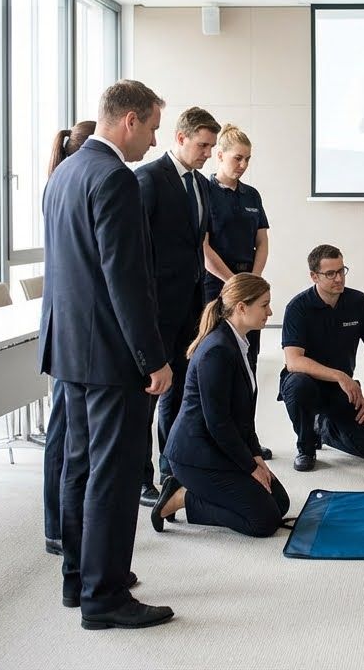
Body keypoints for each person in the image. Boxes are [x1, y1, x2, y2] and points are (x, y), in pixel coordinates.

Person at [39, 80, 174, 630]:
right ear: (129, 122)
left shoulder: (64, 173)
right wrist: (153, 358)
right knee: (113, 476)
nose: (153, 142)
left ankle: (80, 579)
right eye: (152, 130)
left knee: (79, 467)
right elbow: (125, 280)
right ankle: (106, 597)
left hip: (68, 347)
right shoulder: (115, 178)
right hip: (110, 354)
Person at [151, 274, 290, 538]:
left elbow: (243, 418)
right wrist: (250, 467)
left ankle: (199, 492)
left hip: (220, 446)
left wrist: (257, 458)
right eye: (264, 305)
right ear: (241, 307)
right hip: (196, 456)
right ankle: (181, 497)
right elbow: (219, 423)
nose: (270, 312)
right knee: (264, 521)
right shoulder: (217, 350)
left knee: (279, 502)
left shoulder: (238, 342)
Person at [135, 106, 221, 508]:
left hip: (190, 308)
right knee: (148, 398)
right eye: (203, 145)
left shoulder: (202, 186)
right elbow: (135, 252)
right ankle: (141, 478)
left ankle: (172, 469)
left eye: (211, 146)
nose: (208, 153)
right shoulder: (147, 179)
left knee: (180, 393)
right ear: (181, 138)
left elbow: (197, 247)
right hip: (154, 312)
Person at [279, 244, 364, 472]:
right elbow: (294, 361)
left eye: (341, 271)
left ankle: (323, 427)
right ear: (314, 276)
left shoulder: (358, 302)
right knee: (299, 385)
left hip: (342, 389)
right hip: (307, 384)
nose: (339, 278)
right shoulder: (298, 307)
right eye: (330, 273)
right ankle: (306, 446)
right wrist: (339, 375)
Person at [42, 119, 96, 557]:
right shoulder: (77, 182)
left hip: (65, 331)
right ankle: (58, 528)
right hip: (72, 335)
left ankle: (61, 527)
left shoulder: (60, 180)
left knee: (65, 436)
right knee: (64, 439)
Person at [203, 124, 269, 367]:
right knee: (217, 352)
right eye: (237, 158)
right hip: (216, 283)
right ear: (220, 155)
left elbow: (262, 242)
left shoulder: (251, 195)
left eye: (247, 159)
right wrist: (234, 284)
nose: (243, 165)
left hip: (248, 281)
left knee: (250, 356)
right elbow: (204, 248)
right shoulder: (205, 191)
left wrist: (253, 280)